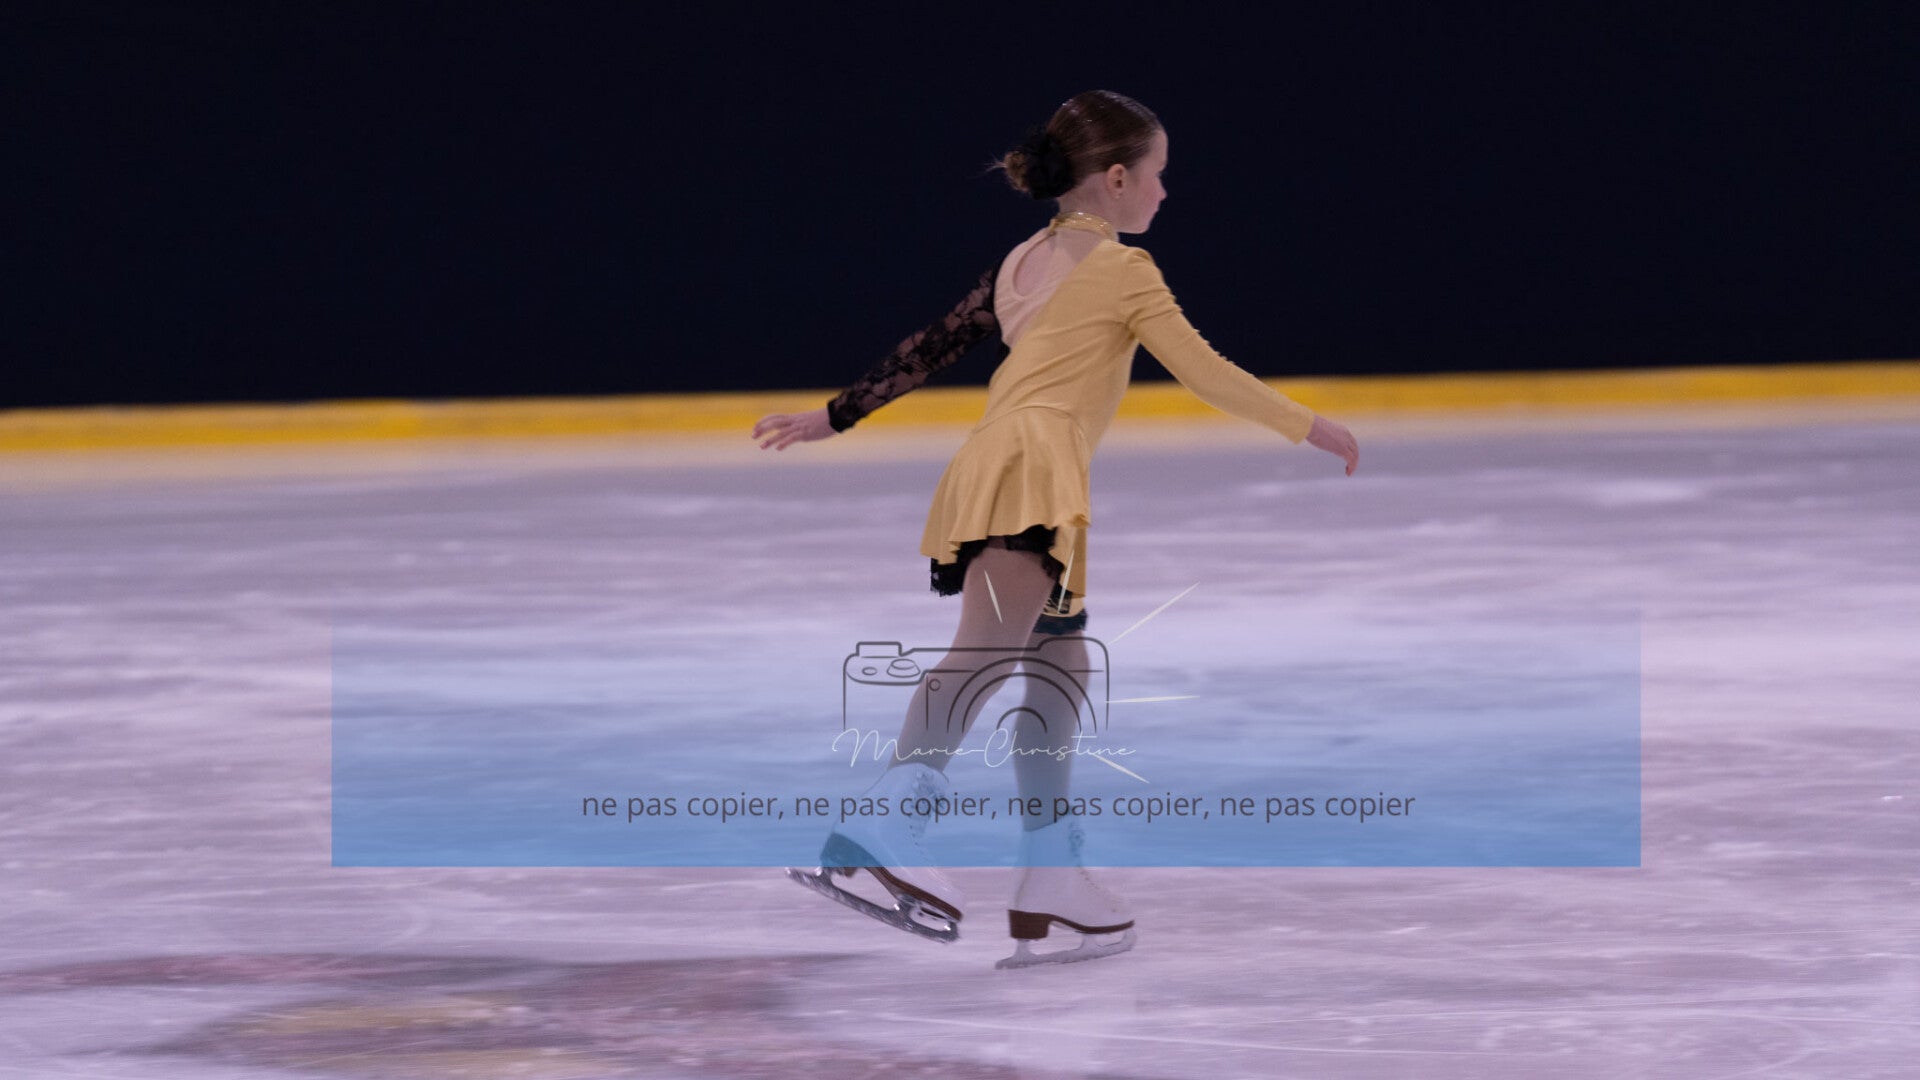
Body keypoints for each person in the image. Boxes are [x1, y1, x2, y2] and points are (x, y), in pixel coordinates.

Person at [759, 91, 1359, 967]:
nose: (1163, 192)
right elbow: (1202, 370)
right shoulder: (1125, 269)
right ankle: (887, 820)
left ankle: (1049, 870)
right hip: (1033, 466)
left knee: (1059, 661)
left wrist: (836, 413)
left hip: (1007, 460)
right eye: (1157, 174)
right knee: (985, 650)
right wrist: (1309, 425)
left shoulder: (1022, 259)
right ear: (1115, 179)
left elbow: (932, 345)